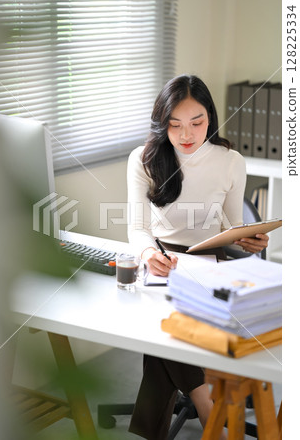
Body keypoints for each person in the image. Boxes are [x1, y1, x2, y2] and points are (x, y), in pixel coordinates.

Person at [126, 74, 268, 440]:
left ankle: (175, 419)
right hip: (161, 261)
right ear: (162, 124)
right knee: (167, 315)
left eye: (197, 123)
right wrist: (146, 253)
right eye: (174, 125)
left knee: (168, 324)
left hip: (211, 262)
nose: (186, 135)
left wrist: (249, 240)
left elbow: (235, 225)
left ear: (211, 118)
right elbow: (137, 228)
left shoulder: (230, 161)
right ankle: (206, 406)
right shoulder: (143, 159)